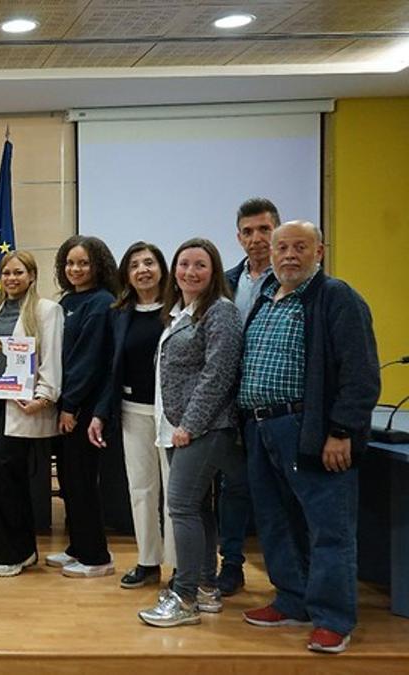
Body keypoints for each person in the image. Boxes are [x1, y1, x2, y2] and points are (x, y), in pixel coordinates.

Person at [239, 221, 379, 654]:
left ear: (320, 251)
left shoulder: (336, 297)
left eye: (300, 247)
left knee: (328, 529)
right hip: (261, 428)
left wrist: (341, 432)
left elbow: (360, 375)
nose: (289, 255)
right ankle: (292, 599)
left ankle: (333, 619)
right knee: (276, 522)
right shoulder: (265, 298)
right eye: (282, 247)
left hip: (310, 429)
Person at [138, 239, 244, 628]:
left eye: (200, 265)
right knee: (197, 507)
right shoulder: (181, 313)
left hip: (204, 429)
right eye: (184, 264)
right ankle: (205, 587)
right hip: (176, 427)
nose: (190, 272)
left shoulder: (221, 312)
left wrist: (191, 425)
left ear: (214, 271)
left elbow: (219, 374)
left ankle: (183, 598)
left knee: (180, 507)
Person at [89, 242, 175, 589]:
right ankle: (148, 561)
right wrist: (99, 414)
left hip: (173, 416)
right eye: (135, 264)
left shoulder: (179, 309)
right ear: (127, 273)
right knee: (141, 489)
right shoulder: (118, 312)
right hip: (132, 412)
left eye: (149, 263)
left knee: (175, 493)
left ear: (161, 268)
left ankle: (180, 568)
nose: (143, 270)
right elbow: (110, 369)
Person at [0, 251, 64, 577]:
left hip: (25, 406)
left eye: (18, 273)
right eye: (7, 273)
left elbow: (51, 356)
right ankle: (22, 550)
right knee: (8, 478)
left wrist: (44, 396)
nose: (12, 278)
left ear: (31, 276)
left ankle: (10, 553)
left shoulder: (47, 310)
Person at [215, 197, 281, 596]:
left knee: (277, 491)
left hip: (273, 404)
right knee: (232, 487)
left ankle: (286, 579)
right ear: (238, 237)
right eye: (248, 231)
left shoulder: (295, 281)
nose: (256, 238)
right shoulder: (225, 281)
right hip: (231, 402)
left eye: (264, 230)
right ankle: (232, 565)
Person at [47, 235, 119, 578]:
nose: (75, 269)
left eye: (83, 263)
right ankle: (77, 546)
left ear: (98, 265)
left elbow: (87, 361)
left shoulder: (102, 302)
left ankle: (95, 557)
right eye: (70, 263)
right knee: (70, 480)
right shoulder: (67, 301)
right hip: (65, 403)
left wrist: (71, 406)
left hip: (84, 408)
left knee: (83, 480)